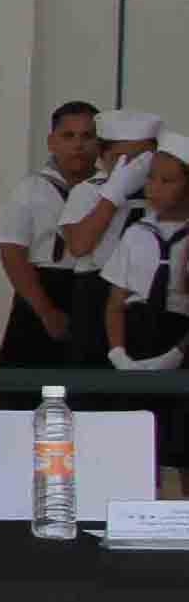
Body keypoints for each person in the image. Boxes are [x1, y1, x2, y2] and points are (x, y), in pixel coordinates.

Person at [91, 130, 189, 487]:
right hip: (138, 337)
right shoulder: (137, 233)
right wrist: (119, 353)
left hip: (180, 341)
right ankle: (142, 519)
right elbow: (115, 303)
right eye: (150, 178)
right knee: (137, 445)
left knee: (181, 443)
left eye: (167, 181)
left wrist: (175, 355)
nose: (154, 188)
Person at [0, 100, 107, 369]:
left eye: (87, 136)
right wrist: (45, 312)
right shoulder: (30, 189)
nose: (78, 145)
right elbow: (12, 253)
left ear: (101, 143)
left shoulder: (108, 192)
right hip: (43, 288)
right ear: (51, 141)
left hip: (93, 289)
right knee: (26, 387)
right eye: (68, 136)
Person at [51, 108, 168, 280]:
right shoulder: (88, 190)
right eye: (122, 158)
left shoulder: (169, 191)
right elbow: (79, 246)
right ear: (102, 155)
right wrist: (113, 195)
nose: (132, 167)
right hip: (98, 283)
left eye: (141, 159)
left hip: (151, 283)